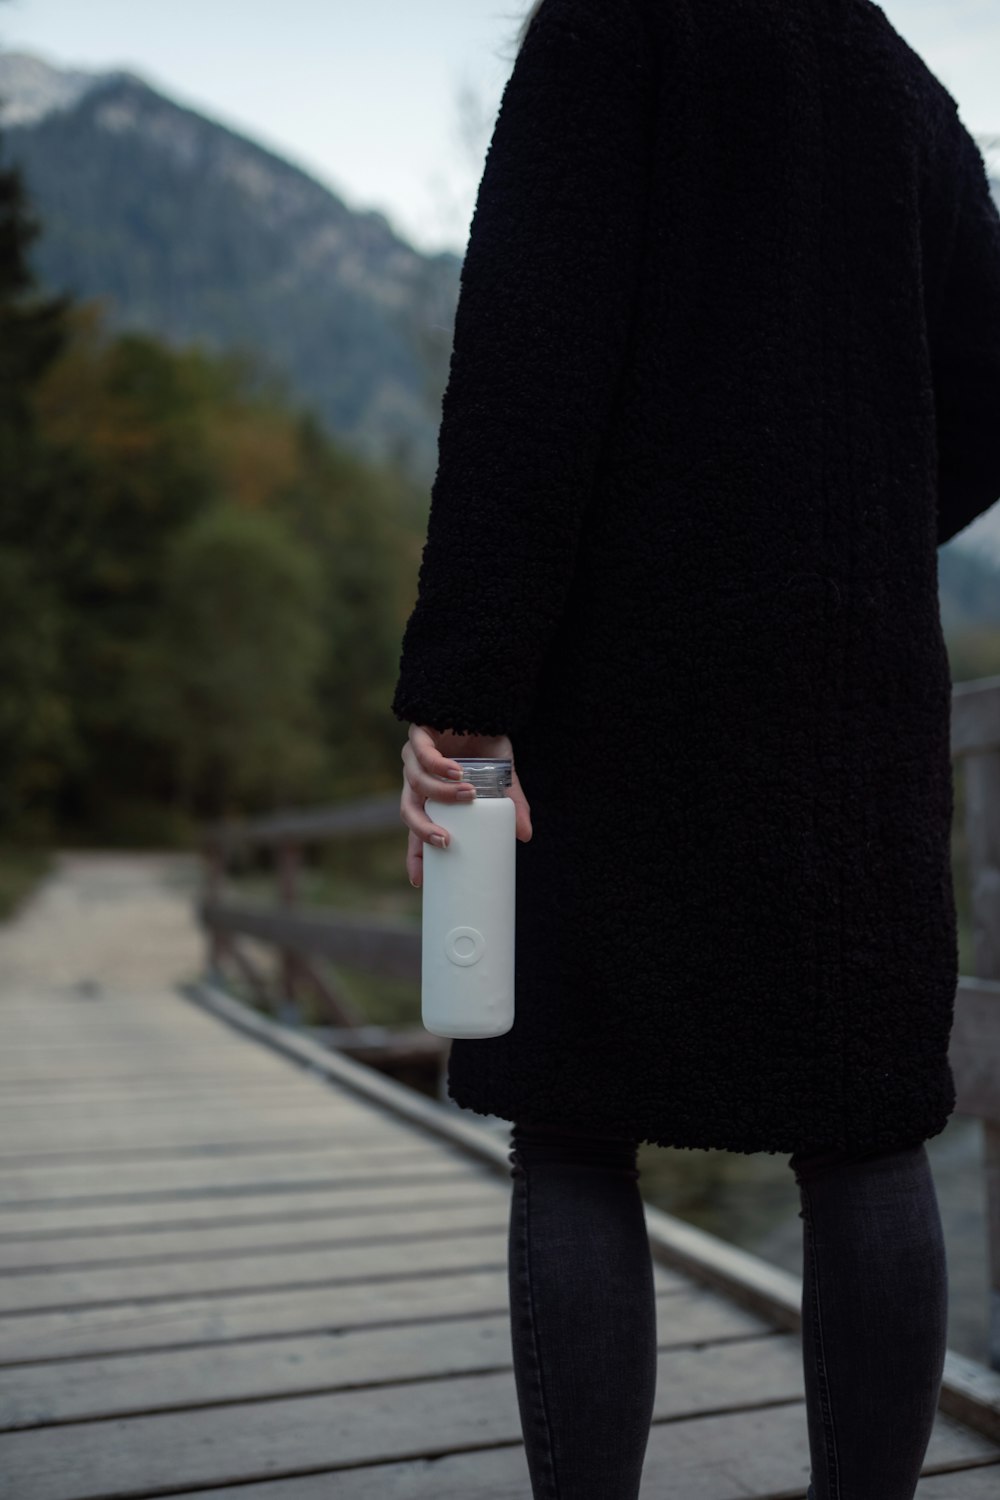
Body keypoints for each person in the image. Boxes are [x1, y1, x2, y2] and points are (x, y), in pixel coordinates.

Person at [391, 1, 1000, 1496]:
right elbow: (988, 403)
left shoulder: (611, 24)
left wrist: (464, 695)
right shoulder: (901, 86)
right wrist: (838, 541)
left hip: (618, 678)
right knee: (868, 1130)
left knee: (576, 1126)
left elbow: (527, 368)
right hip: (853, 691)